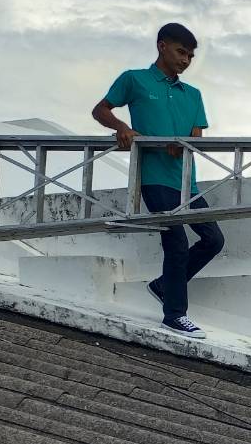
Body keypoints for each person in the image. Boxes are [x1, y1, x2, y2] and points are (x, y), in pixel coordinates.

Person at [92, 22, 223, 340]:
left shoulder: (193, 94)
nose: (186, 60)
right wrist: (122, 127)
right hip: (154, 178)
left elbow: (197, 136)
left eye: (190, 56)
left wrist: (185, 143)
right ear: (162, 46)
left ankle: (164, 286)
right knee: (176, 242)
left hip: (187, 183)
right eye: (181, 52)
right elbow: (100, 109)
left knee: (214, 240)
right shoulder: (134, 79)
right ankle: (175, 315)